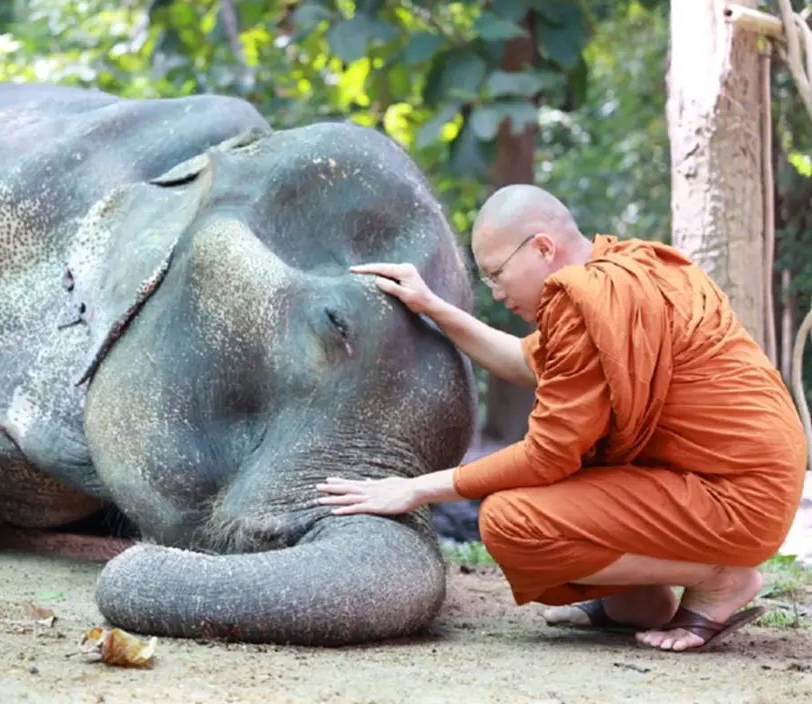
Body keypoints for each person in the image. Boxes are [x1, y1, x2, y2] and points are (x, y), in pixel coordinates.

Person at [317, 184, 807, 653]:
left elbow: (548, 455)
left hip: (736, 494)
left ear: (543, 248)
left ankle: (719, 579)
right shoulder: (627, 268)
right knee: (576, 476)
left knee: (511, 522)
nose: (495, 290)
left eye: (497, 273)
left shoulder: (591, 298)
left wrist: (417, 488)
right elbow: (523, 360)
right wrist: (432, 307)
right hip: (751, 480)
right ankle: (638, 601)